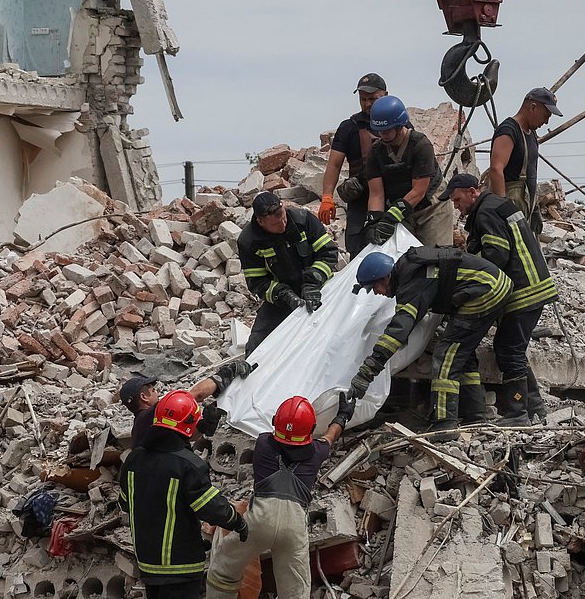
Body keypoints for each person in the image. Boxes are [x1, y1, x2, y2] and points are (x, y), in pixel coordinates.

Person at [202, 392, 356, 599]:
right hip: (294, 527)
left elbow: (278, 434)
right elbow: (330, 437)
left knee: (226, 561)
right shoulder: (316, 453)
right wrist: (342, 416)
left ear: (275, 423)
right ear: (309, 431)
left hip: (259, 520)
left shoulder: (263, 444)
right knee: (295, 589)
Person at [118, 390, 248, 599]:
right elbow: (211, 508)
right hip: (179, 561)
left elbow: (125, 504)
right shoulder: (187, 465)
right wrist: (238, 521)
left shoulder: (134, 459)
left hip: (148, 559)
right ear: (189, 428)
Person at [347, 248, 512, 430]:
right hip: (492, 286)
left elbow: (399, 330)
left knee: (446, 354)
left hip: (484, 290)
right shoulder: (410, 271)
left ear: (385, 277)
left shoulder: (411, 282)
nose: (376, 293)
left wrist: (368, 370)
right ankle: (475, 415)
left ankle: (443, 423)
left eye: (374, 287)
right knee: (461, 353)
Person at [444, 173, 559, 424]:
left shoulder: (485, 212)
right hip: (534, 285)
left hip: (522, 291)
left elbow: (496, 255)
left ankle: (516, 413)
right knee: (513, 348)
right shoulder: (495, 205)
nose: (456, 206)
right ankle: (535, 408)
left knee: (508, 351)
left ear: (472, 191)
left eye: (457, 199)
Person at [238, 190, 339, 353]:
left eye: (283, 217)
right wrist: (284, 295)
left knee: (337, 329)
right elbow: (257, 282)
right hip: (282, 298)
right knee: (258, 345)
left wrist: (313, 282)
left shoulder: (303, 219)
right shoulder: (249, 241)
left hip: (320, 287)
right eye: (276, 224)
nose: (283, 224)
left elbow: (329, 253)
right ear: (260, 222)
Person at [363, 96, 448, 246]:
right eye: (380, 130)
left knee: (435, 255)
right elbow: (376, 194)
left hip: (431, 206)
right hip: (402, 207)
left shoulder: (421, 145)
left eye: (387, 129)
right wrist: (374, 221)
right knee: (401, 256)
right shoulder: (376, 152)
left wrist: (391, 217)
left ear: (399, 124)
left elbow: (419, 191)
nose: (383, 135)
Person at [319, 72, 388, 257]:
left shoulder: (397, 122)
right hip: (360, 199)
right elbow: (334, 165)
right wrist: (327, 196)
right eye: (363, 99)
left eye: (373, 98)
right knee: (357, 250)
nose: (367, 103)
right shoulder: (349, 127)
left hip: (392, 198)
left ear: (385, 95)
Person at [119, 358, 256, 446]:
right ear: (144, 397)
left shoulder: (140, 427)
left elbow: (186, 437)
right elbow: (195, 395)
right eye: (153, 390)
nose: (157, 392)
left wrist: (203, 425)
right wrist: (227, 373)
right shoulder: (154, 414)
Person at [487, 87, 563, 236]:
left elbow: (531, 172)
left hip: (525, 208)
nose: (546, 122)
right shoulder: (508, 130)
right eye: (546, 115)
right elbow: (496, 169)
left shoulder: (531, 134)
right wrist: (503, 209)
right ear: (533, 107)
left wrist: (534, 208)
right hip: (511, 206)